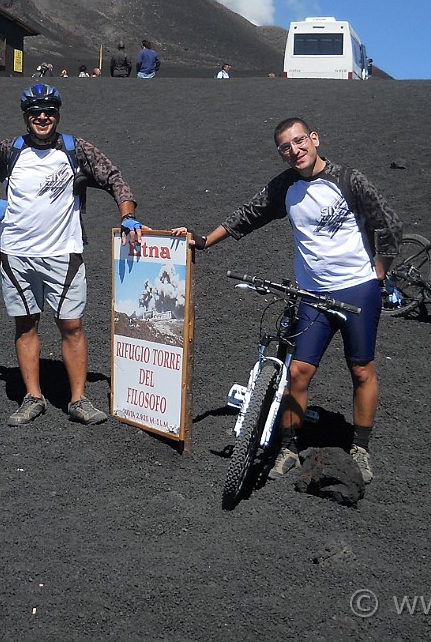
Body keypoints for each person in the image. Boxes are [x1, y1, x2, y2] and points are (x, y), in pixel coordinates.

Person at [172, 118, 402, 484]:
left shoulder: (348, 179)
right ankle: (288, 447)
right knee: (297, 372)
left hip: (358, 289)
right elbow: (249, 214)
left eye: (299, 142)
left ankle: (360, 447)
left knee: (361, 370)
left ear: (314, 139)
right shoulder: (287, 186)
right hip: (312, 293)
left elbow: (387, 223)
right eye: (285, 147)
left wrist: (378, 273)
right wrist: (202, 241)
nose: (294, 151)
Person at [0, 84, 146, 427]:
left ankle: (79, 400)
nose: (42, 117)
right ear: (26, 116)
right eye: (34, 111)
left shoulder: (75, 149)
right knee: (26, 323)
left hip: (64, 253)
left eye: (48, 111)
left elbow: (114, 178)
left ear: (57, 114)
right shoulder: (10, 150)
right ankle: (33, 398)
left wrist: (127, 215)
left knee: (71, 325)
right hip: (16, 253)